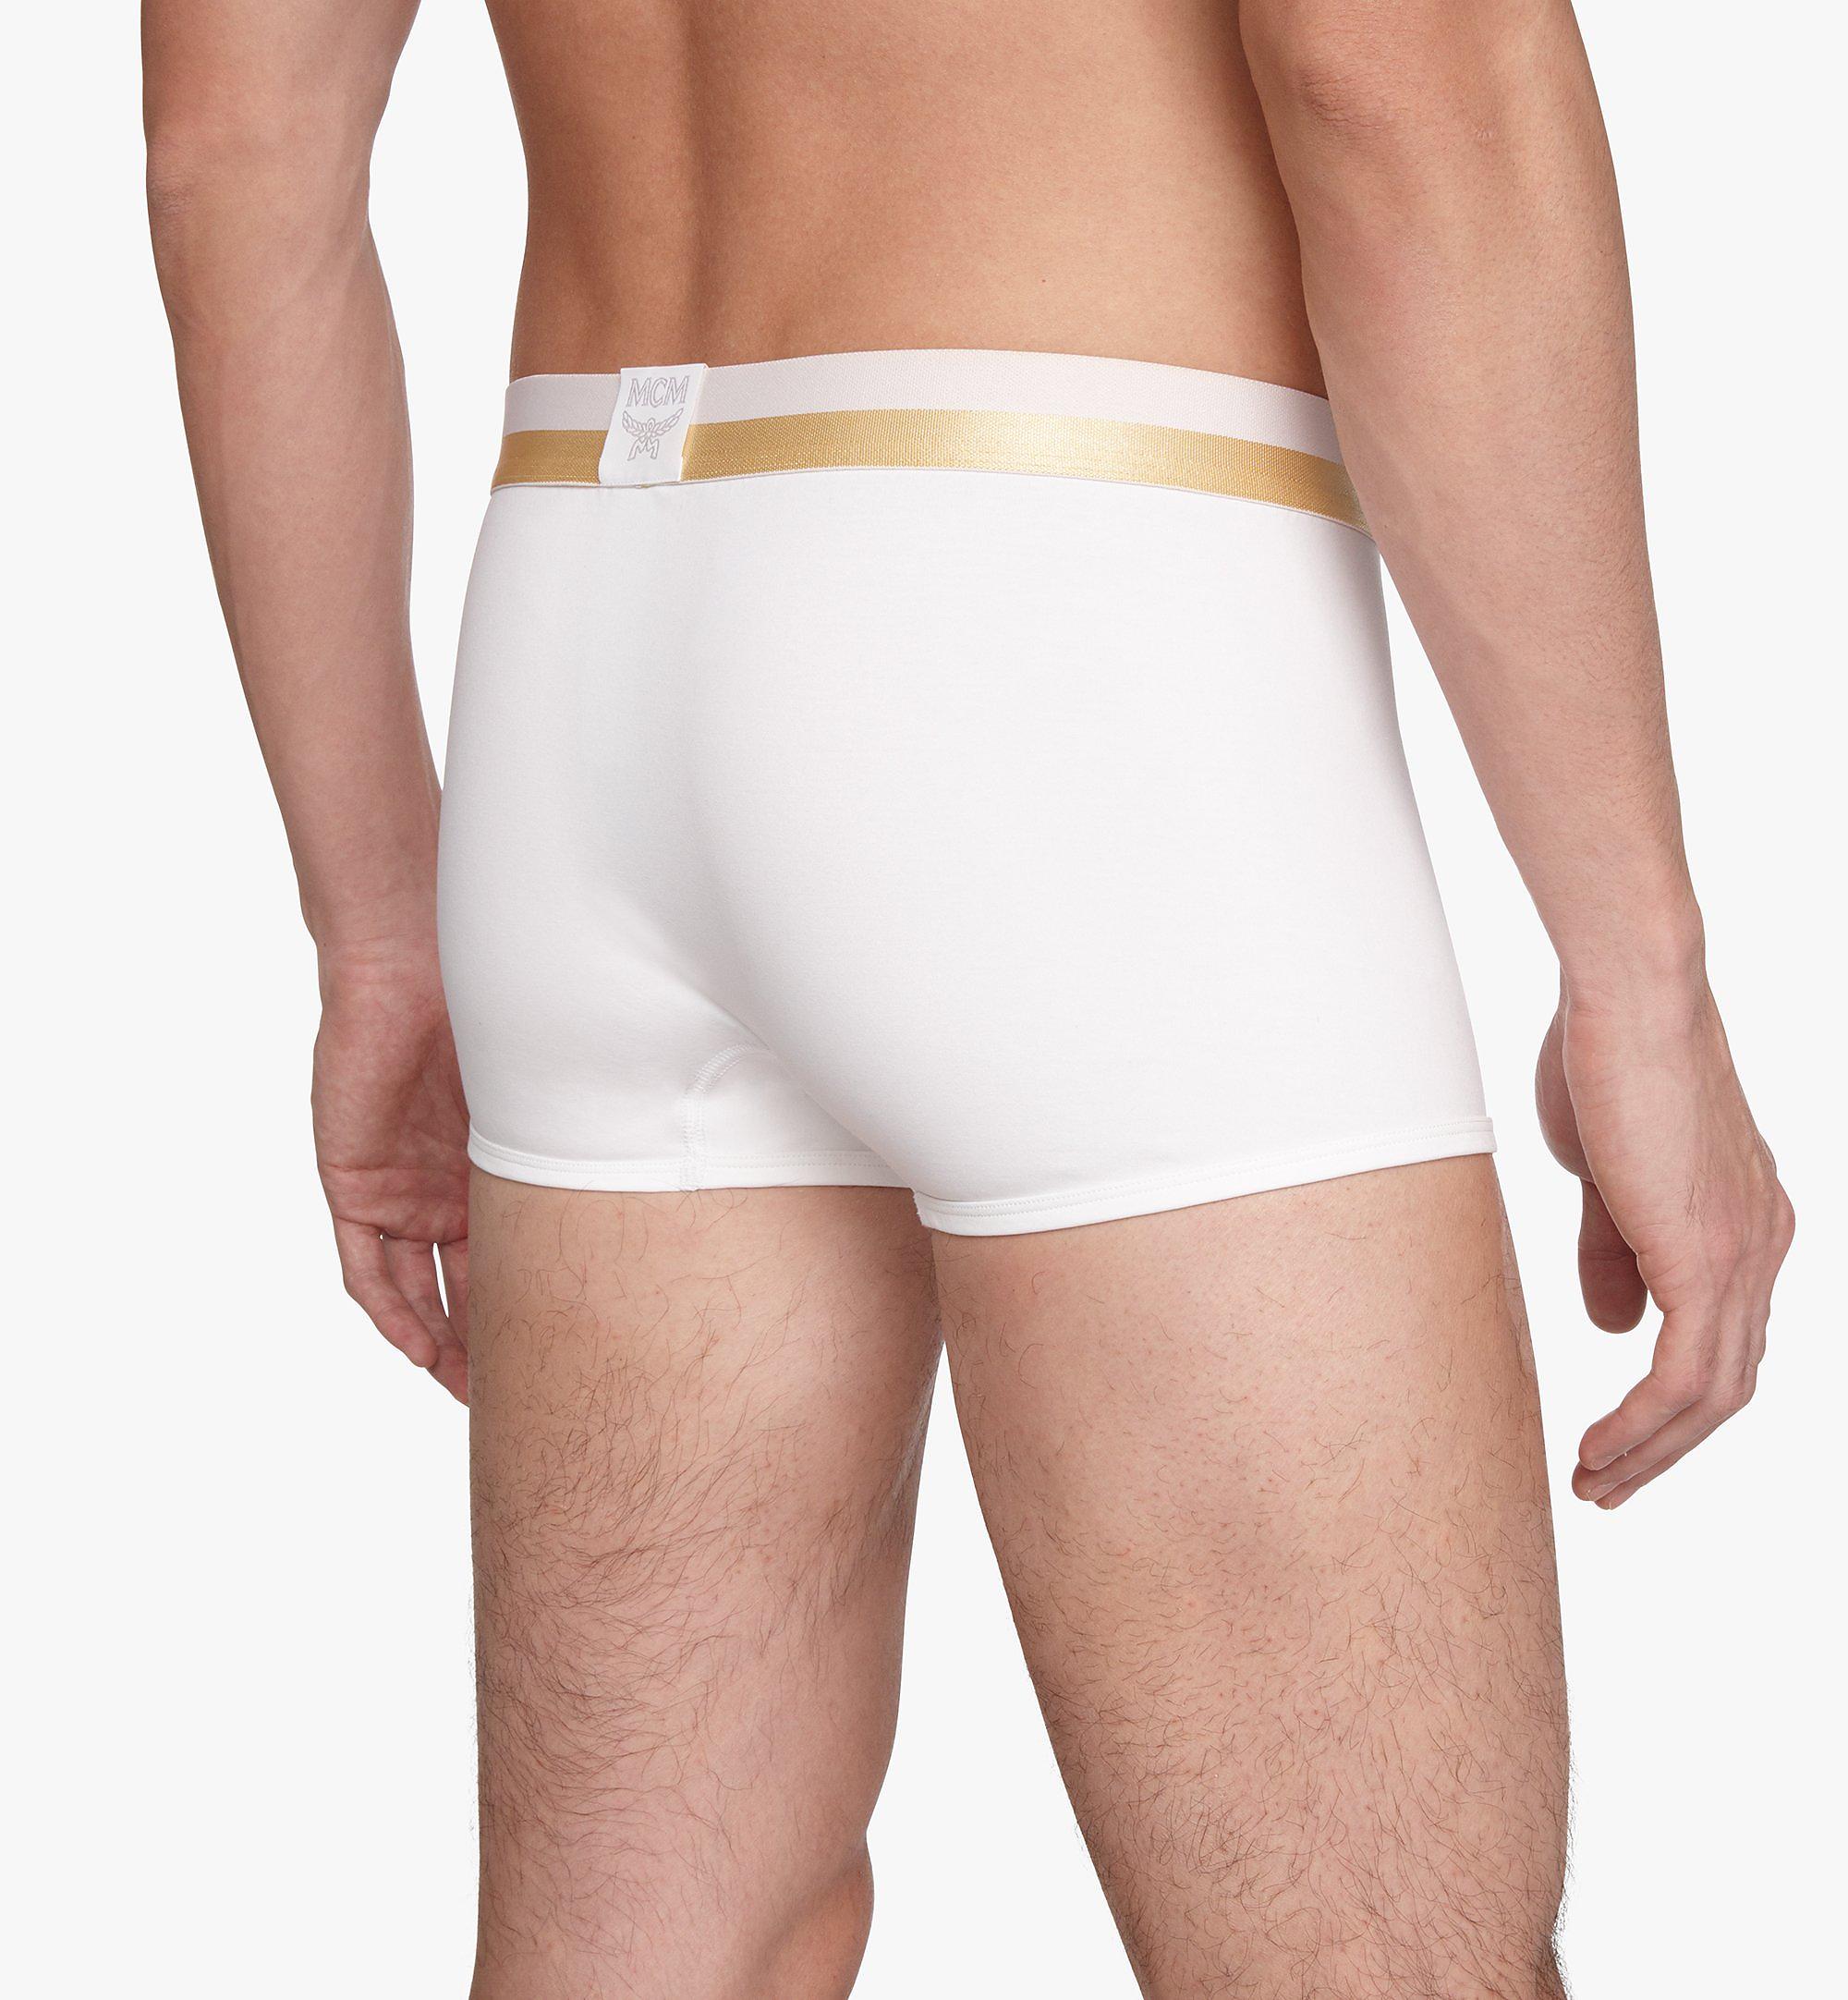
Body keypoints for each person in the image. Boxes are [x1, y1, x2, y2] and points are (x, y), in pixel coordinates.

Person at [143, 0, 1793, 1992]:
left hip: (585, 614)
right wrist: (1639, 969)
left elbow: (231, 152)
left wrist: (377, 928)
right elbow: (1399, 73)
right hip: (1069, 605)